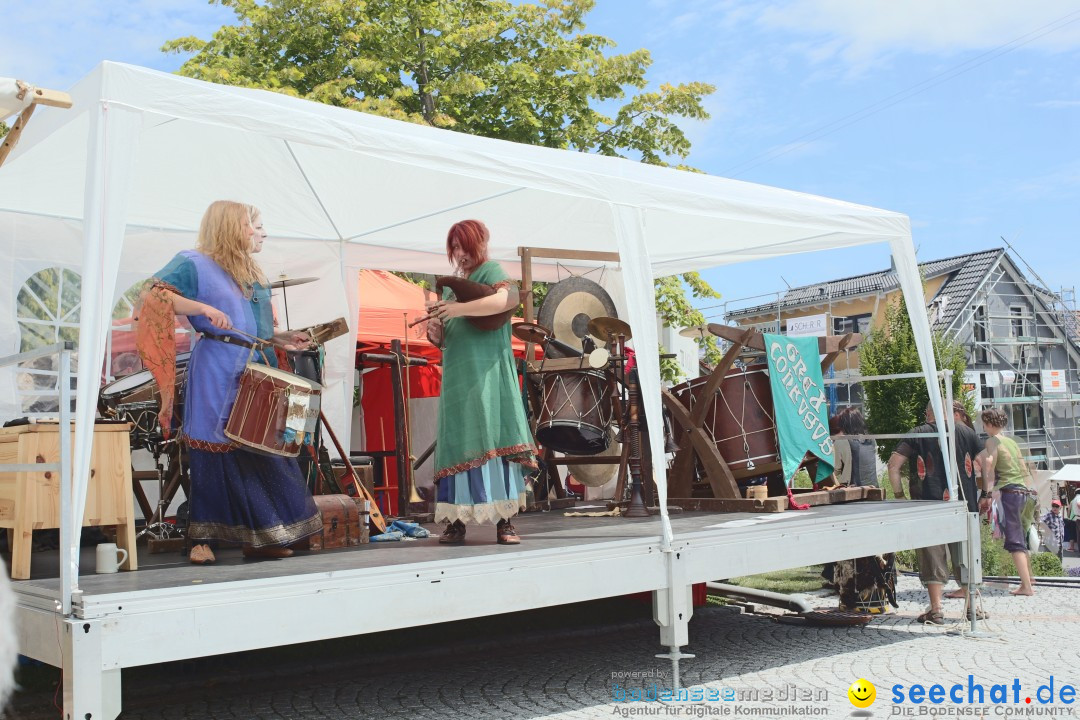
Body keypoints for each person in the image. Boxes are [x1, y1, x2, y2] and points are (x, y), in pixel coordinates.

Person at [137, 200, 321, 565]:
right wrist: (201, 308)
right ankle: (199, 540)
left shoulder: (249, 270)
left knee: (259, 449)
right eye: (256, 224)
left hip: (254, 368)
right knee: (213, 452)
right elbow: (152, 295)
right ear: (231, 226)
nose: (262, 232)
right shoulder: (193, 262)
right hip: (217, 370)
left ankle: (261, 537)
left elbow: (253, 329)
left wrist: (282, 339)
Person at [424, 220, 538, 545]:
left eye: (463, 247)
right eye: (454, 249)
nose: (459, 255)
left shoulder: (491, 270)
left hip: (488, 373)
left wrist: (457, 309)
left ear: (478, 244)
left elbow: (506, 300)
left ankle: (505, 521)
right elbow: (448, 335)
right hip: (458, 376)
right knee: (458, 440)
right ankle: (456, 521)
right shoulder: (450, 287)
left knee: (494, 433)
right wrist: (436, 332)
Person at [887, 399, 984, 624]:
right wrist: (986, 493)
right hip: (964, 504)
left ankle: (937, 609)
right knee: (967, 553)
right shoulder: (967, 432)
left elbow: (894, 465)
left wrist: (900, 496)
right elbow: (985, 464)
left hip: (927, 505)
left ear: (927, 413)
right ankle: (972, 608)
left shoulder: (918, 433)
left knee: (932, 554)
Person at [979, 406, 1036, 596]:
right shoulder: (1012, 441)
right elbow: (1022, 466)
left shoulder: (992, 441)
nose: (984, 427)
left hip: (1009, 492)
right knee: (1021, 535)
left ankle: (1026, 587)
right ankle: (1030, 579)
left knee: (1014, 539)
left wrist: (986, 495)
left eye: (984, 424)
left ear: (988, 424)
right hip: (1024, 491)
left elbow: (990, 469)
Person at [837, 408, 878, 487]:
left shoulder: (842, 441)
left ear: (843, 424)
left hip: (853, 492)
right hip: (873, 489)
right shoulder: (871, 439)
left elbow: (835, 469)